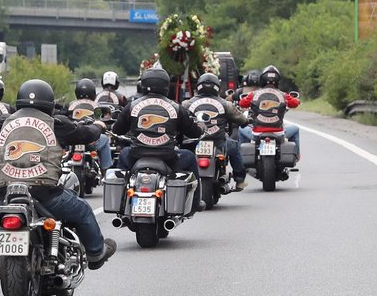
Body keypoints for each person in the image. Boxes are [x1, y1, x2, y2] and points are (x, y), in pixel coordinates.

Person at [0, 79, 117, 269]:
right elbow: (87, 134)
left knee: (1, 214)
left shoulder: (2, 121)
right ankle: (96, 254)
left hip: (5, 194)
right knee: (83, 211)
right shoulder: (56, 123)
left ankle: (3, 257)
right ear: (49, 103)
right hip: (45, 194)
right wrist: (99, 125)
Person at [113, 67, 205, 212]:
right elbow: (193, 132)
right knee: (190, 157)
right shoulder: (176, 108)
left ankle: (120, 199)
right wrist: (201, 128)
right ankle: (196, 203)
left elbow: (117, 130)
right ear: (166, 86)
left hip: (137, 155)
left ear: (143, 84)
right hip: (168, 157)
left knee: (123, 154)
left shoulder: (132, 106)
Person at [181, 72, 249, 191]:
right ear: (217, 86)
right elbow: (241, 119)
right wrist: (246, 121)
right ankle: (239, 180)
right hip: (218, 142)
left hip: (194, 142)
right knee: (235, 146)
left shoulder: (186, 104)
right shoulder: (225, 104)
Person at [237, 64, 301, 160]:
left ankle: (242, 157)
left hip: (257, 133)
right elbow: (295, 103)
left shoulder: (254, 94)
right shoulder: (283, 95)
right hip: (278, 133)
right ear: (277, 81)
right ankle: (296, 155)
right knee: (295, 129)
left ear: (262, 80)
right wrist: (297, 101)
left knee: (241, 129)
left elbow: (242, 103)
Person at [62, 78, 113, 171]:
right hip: (90, 139)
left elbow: (64, 118)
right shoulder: (97, 106)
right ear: (93, 92)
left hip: (72, 139)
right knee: (105, 139)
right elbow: (100, 122)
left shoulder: (69, 105)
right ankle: (106, 170)